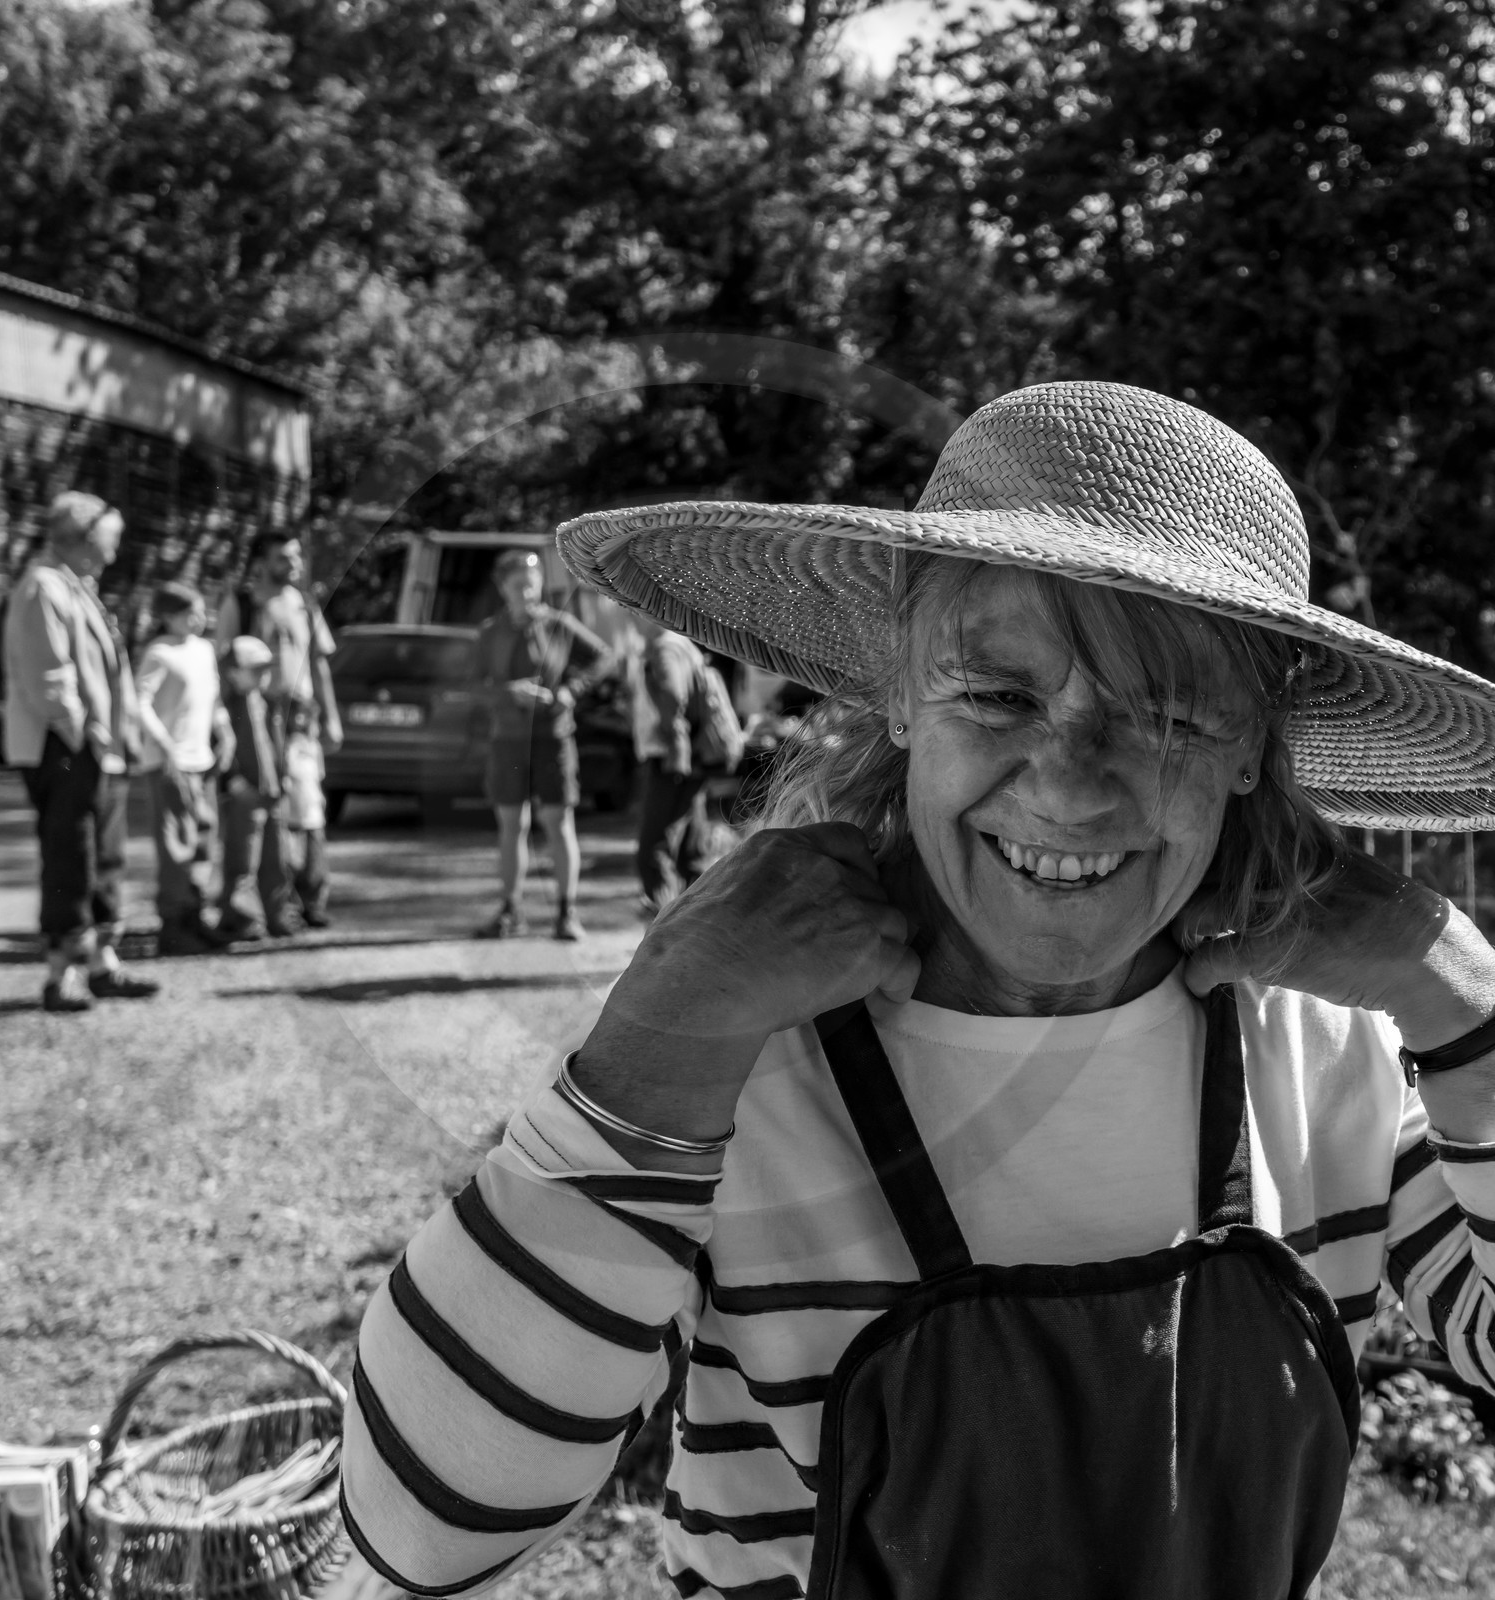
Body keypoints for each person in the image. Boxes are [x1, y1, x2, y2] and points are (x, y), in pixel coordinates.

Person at [341, 382, 1495, 1599]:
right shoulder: (732, 1056)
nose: (1068, 788)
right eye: (998, 695)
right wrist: (656, 1039)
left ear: (1252, 742)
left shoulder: (1320, 1042)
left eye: (1165, 716)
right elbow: (423, 1526)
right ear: (898, 687)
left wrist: (1464, 999)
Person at [2, 491, 160, 1012]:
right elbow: (48, 677)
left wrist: (115, 737)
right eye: (109, 540)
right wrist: (84, 737)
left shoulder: (78, 588)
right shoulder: (43, 587)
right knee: (70, 857)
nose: (114, 553)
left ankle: (101, 965)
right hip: (66, 747)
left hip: (96, 747)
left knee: (105, 856)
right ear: (83, 538)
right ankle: (60, 975)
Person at [472, 548, 610, 941]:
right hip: (508, 740)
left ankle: (567, 912)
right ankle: (510, 911)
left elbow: (603, 657)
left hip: (553, 737)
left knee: (557, 822)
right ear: (503, 588)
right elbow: (472, 685)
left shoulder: (558, 624)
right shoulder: (490, 632)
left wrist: (570, 691)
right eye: (518, 586)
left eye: (532, 585)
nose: (527, 593)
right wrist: (507, 692)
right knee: (511, 824)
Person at [216, 528, 342, 929]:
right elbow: (224, 665)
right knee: (265, 812)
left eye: (296, 555)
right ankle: (266, 904)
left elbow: (319, 663)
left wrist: (332, 717)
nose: (294, 564)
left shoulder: (305, 604)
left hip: (300, 720)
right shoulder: (241, 603)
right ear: (261, 563)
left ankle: (311, 895)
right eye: (283, 557)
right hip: (257, 719)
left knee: (308, 808)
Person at [133, 581, 235, 955]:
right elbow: (139, 702)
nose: (199, 619)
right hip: (169, 763)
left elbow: (213, 698)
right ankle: (173, 926)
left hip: (200, 760)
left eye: (200, 611)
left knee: (204, 840)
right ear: (168, 616)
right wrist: (164, 744)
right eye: (190, 613)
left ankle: (196, 915)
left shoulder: (204, 650)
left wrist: (225, 731)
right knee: (177, 844)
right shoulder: (159, 653)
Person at [631, 619, 717, 915]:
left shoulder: (665, 647)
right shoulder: (683, 643)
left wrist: (672, 738)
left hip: (672, 760)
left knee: (653, 852)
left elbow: (672, 696)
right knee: (691, 854)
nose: (631, 619)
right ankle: (700, 919)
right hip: (692, 758)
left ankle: (663, 921)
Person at [216, 636, 283, 943]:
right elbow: (220, 746)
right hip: (245, 794)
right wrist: (233, 780)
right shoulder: (226, 706)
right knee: (243, 859)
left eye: (265, 668)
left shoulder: (266, 702)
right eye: (255, 669)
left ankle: (277, 913)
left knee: (276, 857)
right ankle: (242, 917)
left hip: (271, 791)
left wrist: (283, 778)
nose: (263, 675)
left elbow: (275, 744)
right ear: (232, 672)